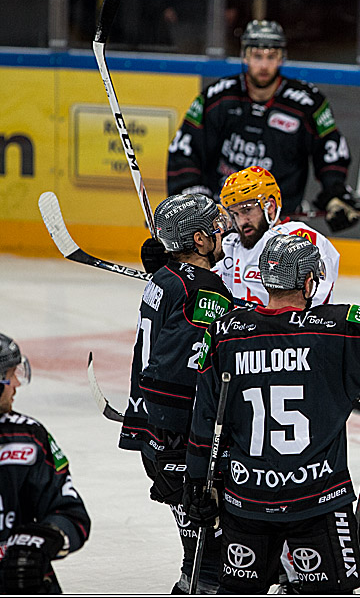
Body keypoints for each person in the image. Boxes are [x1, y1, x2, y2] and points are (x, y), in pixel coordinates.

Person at [182, 224, 360, 593]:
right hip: (317, 500)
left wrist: (197, 481)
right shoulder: (336, 328)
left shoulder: (226, 332)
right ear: (309, 283)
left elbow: (206, 418)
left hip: (246, 498)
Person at [119, 193, 236, 594]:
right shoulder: (207, 291)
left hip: (149, 429)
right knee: (213, 548)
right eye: (216, 228)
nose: (225, 232)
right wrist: (181, 445)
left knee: (196, 542)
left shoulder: (163, 278)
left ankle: (192, 580)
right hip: (179, 438)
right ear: (200, 240)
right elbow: (181, 370)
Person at [166, 19, 360, 232]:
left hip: (278, 221)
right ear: (245, 56)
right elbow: (184, 151)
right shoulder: (217, 97)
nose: (264, 65)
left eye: (271, 57)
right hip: (223, 220)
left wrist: (334, 195)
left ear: (282, 58)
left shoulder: (308, 104)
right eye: (257, 56)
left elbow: (330, 152)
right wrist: (195, 201)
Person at [0, 327, 91, 593]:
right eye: (9, 376)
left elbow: (72, 515)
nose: (16, 384)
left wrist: (44, 540)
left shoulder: (27, 437)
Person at [216, 165, 341, 308]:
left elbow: (316, 299)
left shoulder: (300, 238)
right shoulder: (229, 245)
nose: (242, 221)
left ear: (270, 206)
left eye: (247, 210)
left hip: (286, 329)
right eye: (235, 214)